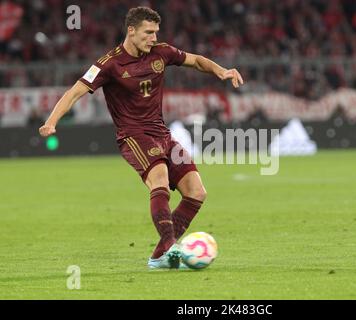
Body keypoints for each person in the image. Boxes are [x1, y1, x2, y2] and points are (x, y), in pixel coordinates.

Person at [38, 7, 244, 269]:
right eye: (148, 32)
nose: (153, 37)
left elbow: (195, 60)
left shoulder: (161, 52)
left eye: (156, 32)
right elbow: (74, 92)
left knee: (196, 192)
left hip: (162, 133)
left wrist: (221, 70)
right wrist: (52, 121)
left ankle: (159, 256)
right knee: (159, 179)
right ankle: (170, 247)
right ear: (131, 31)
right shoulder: (109, 64)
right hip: (133, 136)